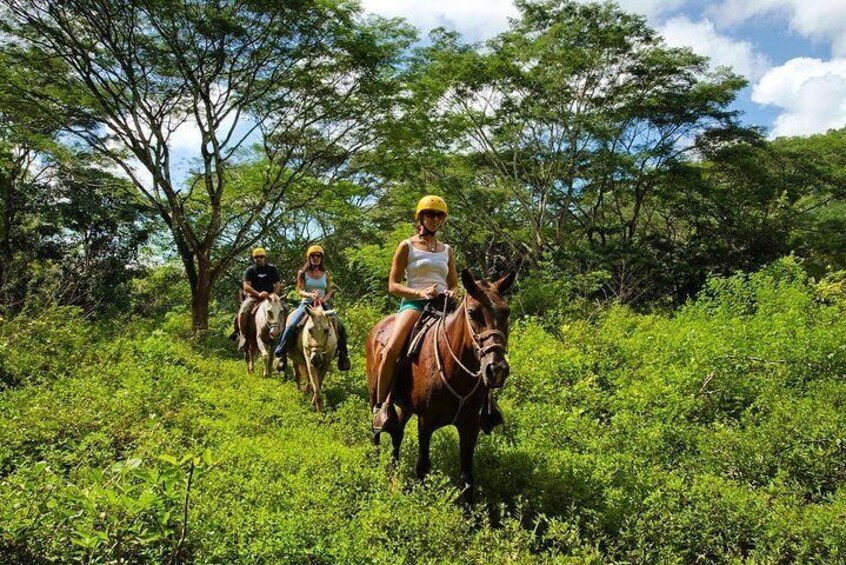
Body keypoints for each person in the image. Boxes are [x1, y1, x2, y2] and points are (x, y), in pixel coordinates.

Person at [372, 195, 458, 433]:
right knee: (391, 349)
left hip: (444, 306)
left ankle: (486, 405)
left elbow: (453, 284)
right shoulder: (406, 246)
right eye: (430, 214)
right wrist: (420, 294)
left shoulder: (447, 250)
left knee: (476, 340)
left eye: (439, 215)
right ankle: (381, 407)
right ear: (420, 217)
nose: (435, 219)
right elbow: (393, 285)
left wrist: (451, 294)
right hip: (415, 305)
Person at [273, 245, 351, 371]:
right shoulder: (303, 273)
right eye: (313, 256)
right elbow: (301, 291)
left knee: (341, 325)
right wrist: (311, 295)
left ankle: (343, 355)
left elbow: (329, 291)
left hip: (322, 305)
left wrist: (324, 299)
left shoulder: (326, 274)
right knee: (292, 324)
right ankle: (281, 353)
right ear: (309, 258)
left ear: (321, 258)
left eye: (318, 255)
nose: (315, 258)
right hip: (306, 304)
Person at [236, 247, 281, 351]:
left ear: (265, 258)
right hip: (254, 297)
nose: (259, 259)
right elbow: (246, 286)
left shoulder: (272, 269)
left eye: (261, 257)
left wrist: (273, 294)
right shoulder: (250, 270)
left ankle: (284, 336)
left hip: (270, 297)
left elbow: (278, 284)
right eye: (256, 257)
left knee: (285, 309)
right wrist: (258, 294)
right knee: (243, 312)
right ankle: (243, 337)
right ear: (253, 259)